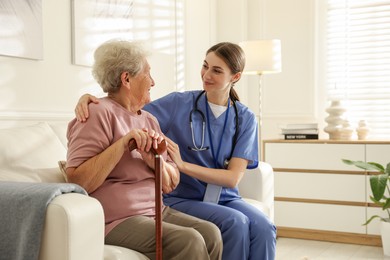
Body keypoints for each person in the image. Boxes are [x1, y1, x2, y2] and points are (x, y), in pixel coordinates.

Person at [75, 42, 276, 260]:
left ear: (235, 77)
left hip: (220, 197)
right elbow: (123, 106)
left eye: (217, 70)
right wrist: (87, 97)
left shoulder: (244, 118)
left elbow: (232, 178)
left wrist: (178, 164)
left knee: (264, 227)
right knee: (234, 224)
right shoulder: (176, 104)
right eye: (205, 66)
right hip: (183, 197)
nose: (206, 74)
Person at [66, 39, 222, 260]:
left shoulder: (149, 120)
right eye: (148, 74)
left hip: (156, 211)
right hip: (117, 219)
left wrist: (154, 161)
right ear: (126, 78)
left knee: (211, 233)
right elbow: (77, 182)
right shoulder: (97, 114)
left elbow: (170, 183)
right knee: (190, 240)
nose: (153, 82)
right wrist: (122, 145)